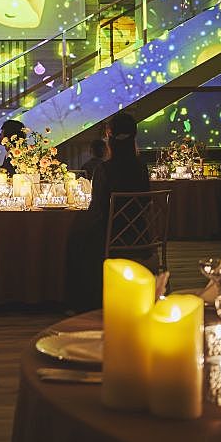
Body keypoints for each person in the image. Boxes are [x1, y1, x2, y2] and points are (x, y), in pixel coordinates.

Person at [66, 112, 151, 311]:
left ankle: (85, 301)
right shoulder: (142, 168)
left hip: (110, 234)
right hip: (140, 233)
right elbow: (146, 202)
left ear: (109, 137)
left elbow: (97, 208)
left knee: (74, 239)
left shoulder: (104, 169)